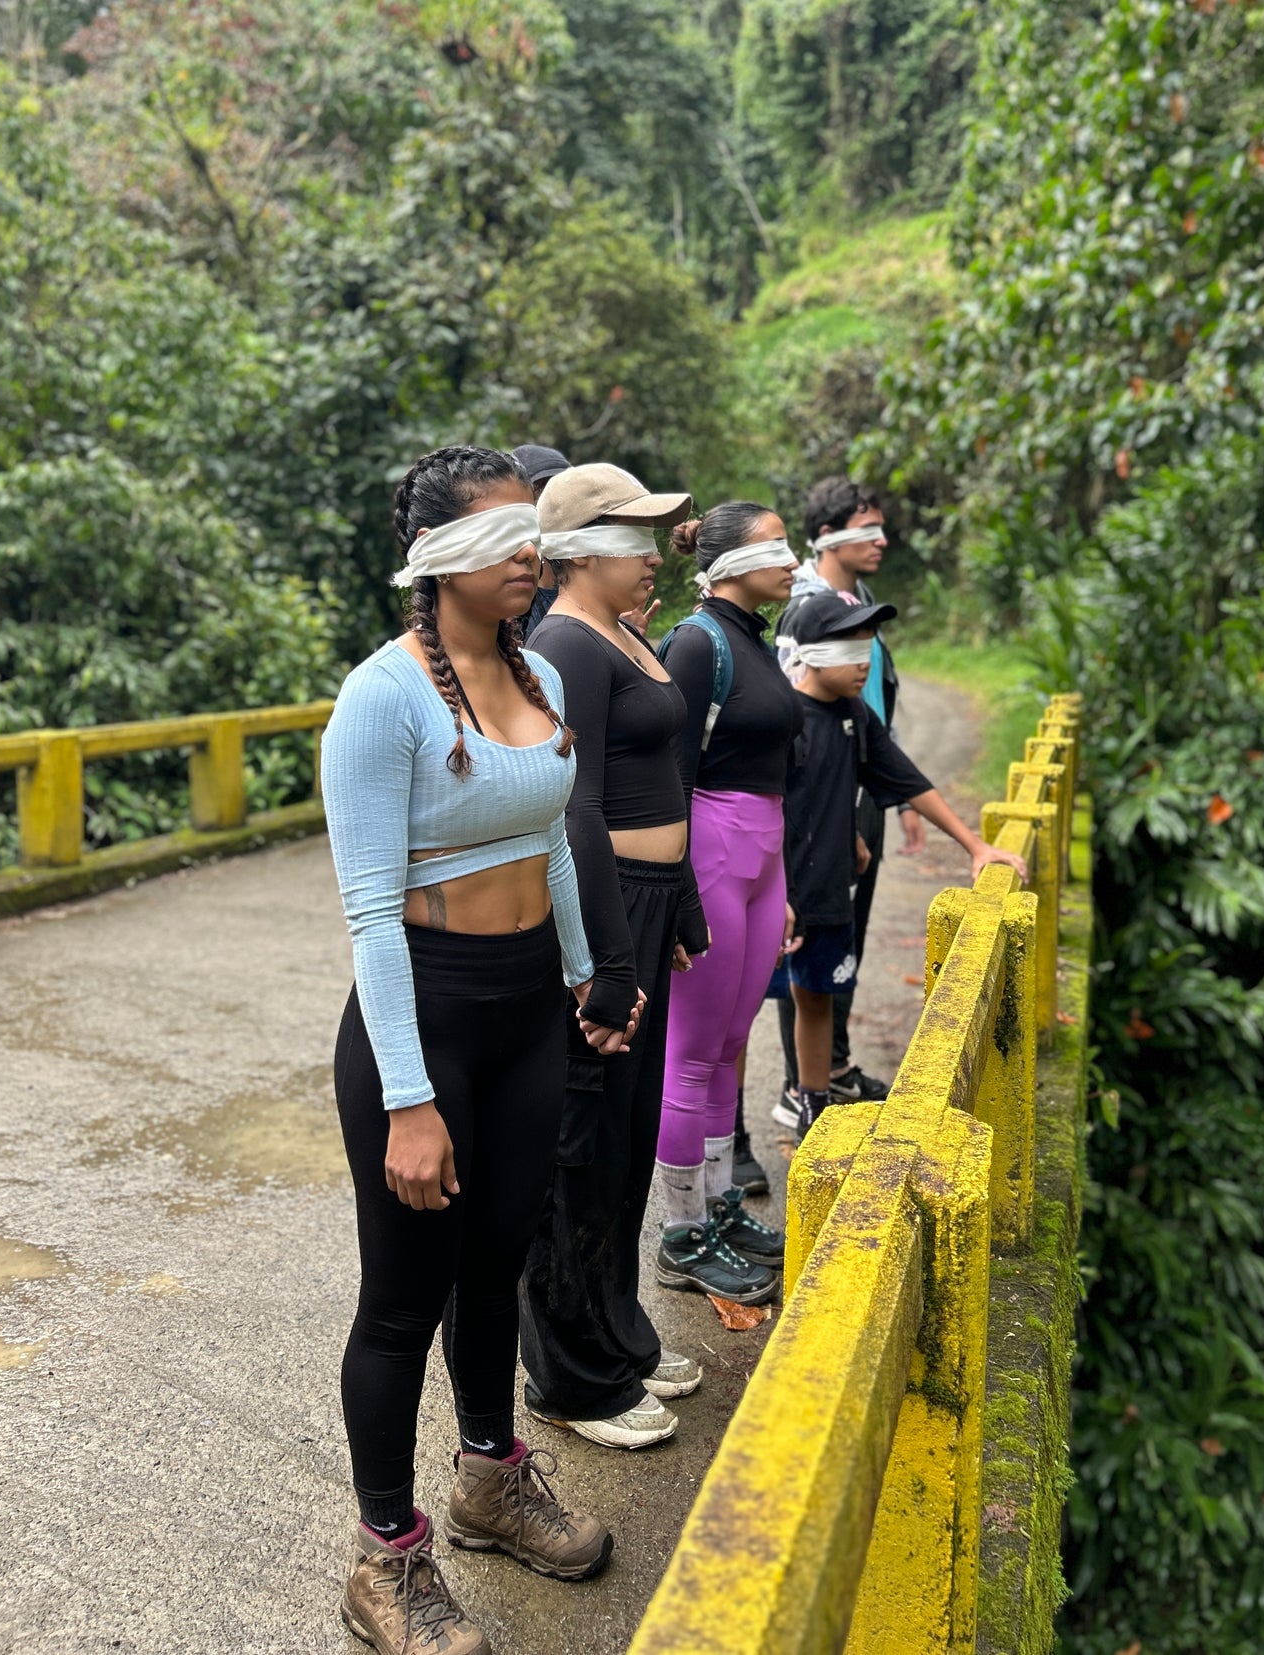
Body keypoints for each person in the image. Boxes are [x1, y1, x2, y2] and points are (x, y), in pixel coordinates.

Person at [322, 446, 630, 1655]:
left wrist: (578, 980)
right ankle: (385, 1560)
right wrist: (408, 1097)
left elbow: (547, 833)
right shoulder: (381, 697)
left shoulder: (541, 670)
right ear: (435, 560)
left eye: (536, 538)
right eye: (507, 540)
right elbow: (367, 912)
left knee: (499, 1259)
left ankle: (489, 1479)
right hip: (426, 1018)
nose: (532, 558)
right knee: (402, 1300)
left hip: (522, 1014)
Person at [519, 463, 713, 1450]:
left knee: (625, 1145)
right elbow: (574, 804)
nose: (651, 555)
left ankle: (618, 1333)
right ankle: (568, 1374)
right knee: (580, 1150)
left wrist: (677, 906)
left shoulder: (624, 631)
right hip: (600, 912)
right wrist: (605, 954)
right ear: (582, 552)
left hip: (643, 901)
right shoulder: (563, 644)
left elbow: (660, 781)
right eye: (635, 538)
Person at [781, 592, 1029, 1139]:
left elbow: (910, 782)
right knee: (744, 1009)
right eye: (851, 648)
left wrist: (976, 847)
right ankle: (719, 1139)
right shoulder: (784, 718)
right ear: (815, 654)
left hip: (829, 890)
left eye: (868, 647)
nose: (865, 661)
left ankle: (813, 1107)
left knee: (819, 996)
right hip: (778, 895)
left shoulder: (854, 716)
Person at [653, 502, 806, 1302]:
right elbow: (670, 774)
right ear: (722, 563)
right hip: (711, 845)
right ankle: (680, 1233)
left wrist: (776, 889)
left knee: (732, 1038)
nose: (791, 558)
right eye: (773, 546)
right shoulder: (695, 642)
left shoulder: (753, 639)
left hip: (761, 855)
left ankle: (716, 1206)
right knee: (692, 1045)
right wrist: (679, 896)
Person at [766, 476, 923, 1135]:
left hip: (861, 780)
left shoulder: (855, 599)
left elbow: (872, 705)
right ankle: (799, 1083)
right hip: (823, 788)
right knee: (804, 930)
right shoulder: (804, 605)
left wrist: (892, 795)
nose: (881, 540)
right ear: (826, 535)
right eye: (866, 529)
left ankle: (829, 1068)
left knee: (838, 934)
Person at [511, 443, 570, 642]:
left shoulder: (588, 580)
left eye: (564, 493)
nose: (555, 505)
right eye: (541, 493)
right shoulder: (511, 587)